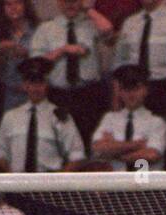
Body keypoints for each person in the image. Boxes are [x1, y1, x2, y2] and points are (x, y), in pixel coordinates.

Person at [31, 0, 112, 144]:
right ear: (58, 3)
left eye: (74, 1)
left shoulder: (91, 24)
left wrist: (87, 9)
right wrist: (62, 50)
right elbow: (36, 65)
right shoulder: (46, 28)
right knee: (60, 141)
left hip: (89, 94)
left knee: (89, 141)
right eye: (66, 1)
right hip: (58, 96)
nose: (70, 4)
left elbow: (107, 30)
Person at [0, 55, 87, 172]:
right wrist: (11, 178)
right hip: (16, 184)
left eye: (40, 82)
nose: (36, 88)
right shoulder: (10, 117)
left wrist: (58, 182)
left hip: (49, 184)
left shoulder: (59, 116)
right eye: (32, 82)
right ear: (25, 85)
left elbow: (77, 155)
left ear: (47, 84)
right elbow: (0, 154)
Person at [114, 0, 166, 116]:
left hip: (164, 92)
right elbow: (120, 64)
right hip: (131, 90)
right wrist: (116, 99)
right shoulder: (129, 23)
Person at [93, 63, 166, 171]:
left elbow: (151, 154)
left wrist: (114, 152)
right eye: (126, 89)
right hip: (116, 184)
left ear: (146, 90)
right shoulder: (109, 119)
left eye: (136, 88)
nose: (131, 94)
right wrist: (137, 145)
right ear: (120, 92)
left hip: (144, 181)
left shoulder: (157, 122)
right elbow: (98, 147)